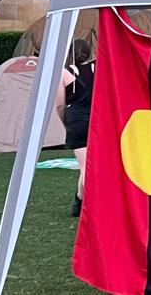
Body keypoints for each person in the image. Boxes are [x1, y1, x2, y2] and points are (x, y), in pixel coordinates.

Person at [56, 39, 95, 217]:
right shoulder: (98, 67)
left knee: (85, 167)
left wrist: (65, 122)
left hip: (77, 120)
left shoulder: (64, 72)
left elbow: (59, 105)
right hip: (97, 118)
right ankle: (80, 200)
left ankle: (83, 202)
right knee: (91, 166)